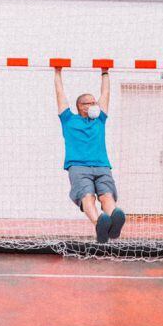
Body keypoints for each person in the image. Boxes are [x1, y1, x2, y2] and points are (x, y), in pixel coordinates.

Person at [54, 66, 126, 243]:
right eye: (89, 103)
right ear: (80, 106)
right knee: (88, 196)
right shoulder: (68, 119)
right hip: (78, 167)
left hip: (102, 166)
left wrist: (105, 72)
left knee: (106, 196)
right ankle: (101, 223)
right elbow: (60, 95)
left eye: (95, 102)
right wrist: (57, 73)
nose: (94, 104)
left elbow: (106, 93)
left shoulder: (100, 119)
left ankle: (111, 218)